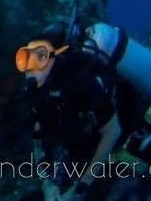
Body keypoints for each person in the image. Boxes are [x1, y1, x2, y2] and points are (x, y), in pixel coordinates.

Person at [18, 22, 151, 200]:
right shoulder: (38, 94)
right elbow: (38, 138)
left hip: (128, 137)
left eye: (40, 57)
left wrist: (82, 185)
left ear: (56, 58)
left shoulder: (83, 85)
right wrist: (47, 184)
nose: (31, 67)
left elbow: (112, 132)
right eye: (25, 58)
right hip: (87, 150)